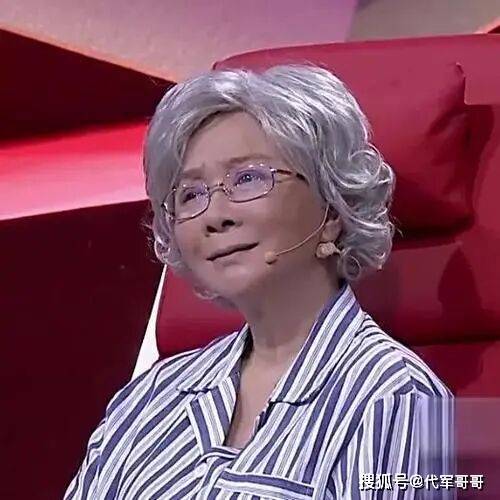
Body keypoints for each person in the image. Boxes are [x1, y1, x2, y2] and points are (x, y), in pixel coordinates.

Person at [65, 64, 454, 499]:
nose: (214, 216)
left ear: (331, 208)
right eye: (191, 194)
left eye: (248, 178)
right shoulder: (149, 397)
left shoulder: (400, 398)